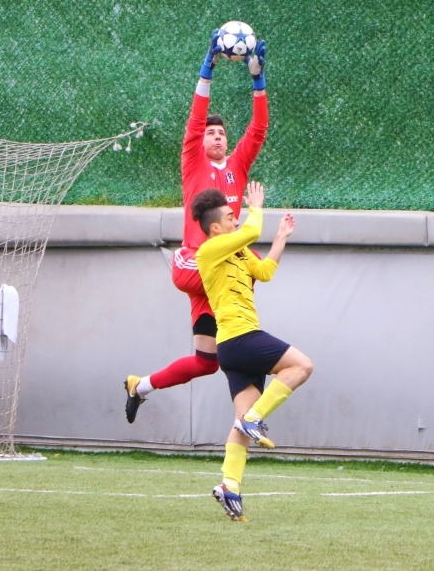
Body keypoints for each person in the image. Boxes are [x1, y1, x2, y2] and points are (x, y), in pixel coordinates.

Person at [124, 29, 269, 423]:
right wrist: (208, 71)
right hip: (194, 265)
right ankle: (254, 392)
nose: (217, 136)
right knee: (248, 271)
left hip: (220, 278)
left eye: (221, 133)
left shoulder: (238, 166)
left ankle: (139, 386)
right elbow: (194, 120)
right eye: (210, 132)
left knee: (208, 361)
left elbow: (258, 129)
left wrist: (258, 81)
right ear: (200, 141)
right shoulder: (193, 164)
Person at [192, 182, 313, 521]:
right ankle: (254, 420)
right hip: (239, 337)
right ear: (215, 228)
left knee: (241, 422)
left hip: (235, 347)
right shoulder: (209, 251)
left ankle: (229, 485)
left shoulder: (241, 251)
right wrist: (256, 206)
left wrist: (281, 238)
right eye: (230, 217)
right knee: (302, 366)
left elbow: (265, 272)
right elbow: (251, 228)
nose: (236, 219)